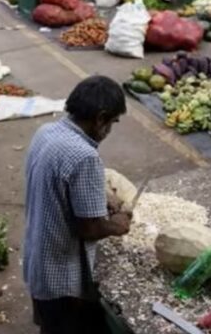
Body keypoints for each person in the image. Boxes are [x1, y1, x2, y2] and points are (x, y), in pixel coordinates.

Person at [22, 76, 132, 334]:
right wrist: (117, 225)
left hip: (38, 259)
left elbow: (57, 186)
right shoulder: (85, 156)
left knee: (50, 327)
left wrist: (98, 197)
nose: (109, 131)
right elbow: (90, 229)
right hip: (62, 276)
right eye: (112, 122)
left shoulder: (46, 132)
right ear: (100, 118)